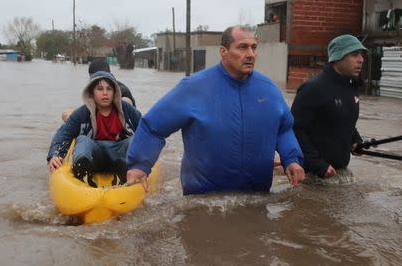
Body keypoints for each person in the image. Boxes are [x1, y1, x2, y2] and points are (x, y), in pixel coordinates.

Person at [125, 25, 305, 194]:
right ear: (223, 52)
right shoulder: (194, 88)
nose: (250, 54)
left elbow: (284, 129)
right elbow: (153, 126)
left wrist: (292, 160)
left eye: (253, 47)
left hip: (257, 199)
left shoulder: (269, 90)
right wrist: (140, 165)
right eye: (242, 47)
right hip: (203, 202)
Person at [290, 34, 365, 179]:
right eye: (354, 54)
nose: (361, 60)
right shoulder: (313, 88)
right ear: (338, 57)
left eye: (361, 55)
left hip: (338, 172)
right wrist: (317, 164)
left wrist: (355, 140)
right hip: (311, 175)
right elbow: (295, 129)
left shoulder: (351, 87)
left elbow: (343, 120)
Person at [48, 71, 141, 186]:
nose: (105, 93)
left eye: (109, 89)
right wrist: (55, 155)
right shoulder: (81, 113)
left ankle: (126, 168)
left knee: (134, 140)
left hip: (119, 154)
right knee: (82, 139)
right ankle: (83, 171)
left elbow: (145, 130)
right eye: (100, 89)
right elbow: (63, 134)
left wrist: (149, 155)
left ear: (115, 92)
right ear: (92, 92)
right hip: (94, 156)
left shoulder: (127, 109)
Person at [61, 58, 136, 122]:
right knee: (66, 114)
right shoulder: (92, 89)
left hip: (119, 127)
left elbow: (128, 105)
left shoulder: (123, 91)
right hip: (97, 122)